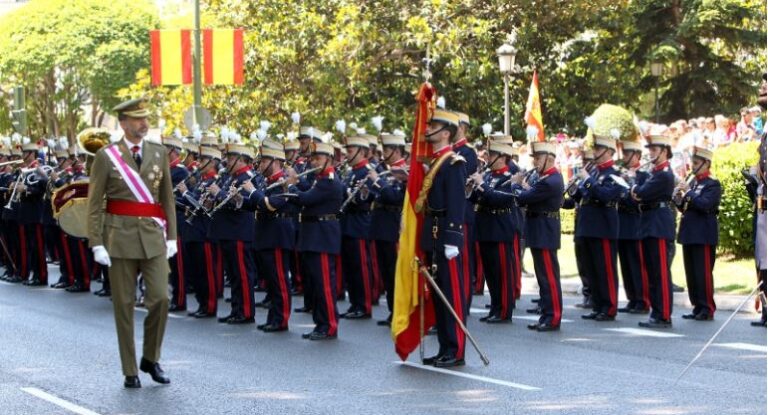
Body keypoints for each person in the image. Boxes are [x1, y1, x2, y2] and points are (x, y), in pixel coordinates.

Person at [87, 98, 176, 388]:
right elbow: (95, 203)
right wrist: (96, 242)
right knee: (123, 305)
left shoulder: (159, 152)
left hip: (152, 236)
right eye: (137, 119)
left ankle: (151, 358)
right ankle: (130, 369)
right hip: (119, 237)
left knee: (161, 297)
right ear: (123, 123)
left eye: (145, 118)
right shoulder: (106, 156)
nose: (144, 124)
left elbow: (167, 199)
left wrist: (173, 236)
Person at [417, 109, 467, 368]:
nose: (428, 130)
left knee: (451, 293)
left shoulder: (453, 163)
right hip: (432, 232)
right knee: (438, 294)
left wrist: (453, 238)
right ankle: (444, 347)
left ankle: (456, 349)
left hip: (445, 233)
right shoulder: (435, 162)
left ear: (446, 133)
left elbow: (457, 203)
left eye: (433, 126)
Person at [285, 138, 344, 340]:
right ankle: (321, 323)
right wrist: (297, 183)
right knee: (316, 284)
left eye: (317, 158)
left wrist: (292, 185)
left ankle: (329, 325)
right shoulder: (319, 181)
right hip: (313, 235)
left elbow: (306, 199)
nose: (313, 162)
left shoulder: (329, 182)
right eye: (312, 159)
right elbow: (308, 191)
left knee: (324, 285)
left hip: (322, 237)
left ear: (329, 159)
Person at [241, 140, 297, 332]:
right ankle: (274, 316)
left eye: (264, 161)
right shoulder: (269, 182)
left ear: (275, 161)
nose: (260, 165)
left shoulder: (283, 182)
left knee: (279, 280)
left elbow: (269, 204)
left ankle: (281, 319)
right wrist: (240, 198)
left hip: (278, 234)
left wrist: (252, 191)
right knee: (271, 281)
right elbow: (257, 204)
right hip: (266, 233)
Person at [510, 141, 564, 332]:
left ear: (549, 159)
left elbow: (525, 198)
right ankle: (546, 315)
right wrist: (525, 187)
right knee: (543, 277)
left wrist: (516, 186)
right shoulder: (544, 179)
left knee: (549, 276)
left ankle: (553, 316)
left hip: (545, 230)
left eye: (538, 158)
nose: (535, 162)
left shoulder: (551, 180)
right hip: (539, 229)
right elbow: (530, 194)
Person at [467, 141, 521, 323]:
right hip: (485, 227)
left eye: (490, 155)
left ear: (502, 157)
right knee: (490, 271)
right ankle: (495, 307)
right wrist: (471, 187)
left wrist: (481, 185)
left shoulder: (510, 177)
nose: (487, 158)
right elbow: (477, 198)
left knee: (502, 272)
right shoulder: (488, 175)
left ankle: (504, 310)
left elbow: (497, 199)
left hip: (500, 227)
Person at [208, 142, 258, 325]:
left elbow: (240, 203)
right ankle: (236, 309)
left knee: (242, 273)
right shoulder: (231, 177)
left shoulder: (247, 178)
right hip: (228, 231)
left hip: (239, 232)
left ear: (240, 159)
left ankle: (245, 312)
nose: (226, 161)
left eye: (230, 158)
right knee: (234, 274)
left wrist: (219, 193)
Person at [631, 134, 676, 328]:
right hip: (650, 222)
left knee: (660, 272)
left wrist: (635, 186)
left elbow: (640, 193)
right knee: (652, 271)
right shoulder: (655, 173)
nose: (651, 154)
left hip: (658, 224)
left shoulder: (664, 174)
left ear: (664, 152)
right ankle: (656, 311)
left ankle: (663, 314)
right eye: (649, 150)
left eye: (654, 150)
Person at [674, 146, 721, 321]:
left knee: (703, 273)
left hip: (703, 234)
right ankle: (696, 306)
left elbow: (704, 205)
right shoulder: (693, 183)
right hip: (689, 233)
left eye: (696, 163)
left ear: (706, 163)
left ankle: (707, 307)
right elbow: (683, 207)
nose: (692, 167)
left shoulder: (712, 184)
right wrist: (677, 196)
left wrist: (688, 192)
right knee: (691, 273)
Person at [366, 132, 408, 327]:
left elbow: (393, 197)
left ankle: (401, 311)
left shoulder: (404, 173)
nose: (384, 154)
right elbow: (376, 197)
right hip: (381, 227)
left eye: (388, 150)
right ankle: (393, 310)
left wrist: (377, 182)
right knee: (386, 273)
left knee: (395, 273)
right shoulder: (385, 171)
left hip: (394, 228)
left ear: (397, 151)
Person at [338, 135, 375, 319]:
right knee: (350, 267)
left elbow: (364, 199)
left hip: (359, 224)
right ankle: (354, 303)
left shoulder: (366, 172)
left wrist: (348, 193)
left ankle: (364, 305)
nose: (347, 154)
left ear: (361, 152)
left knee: (361, 267)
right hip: (347, 224)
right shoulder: (352, 172)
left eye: (350, 151)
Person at [616, 140, 651, 314]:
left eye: (628, 154)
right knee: (626, 265)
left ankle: (643, 300)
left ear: (637, 155)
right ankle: (632, 298)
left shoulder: (643, 175)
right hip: (622, 222)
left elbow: (637, 197)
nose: (625, 158)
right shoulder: (622, 173)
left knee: (637, 264)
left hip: (635, 222)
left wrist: (627, 187)